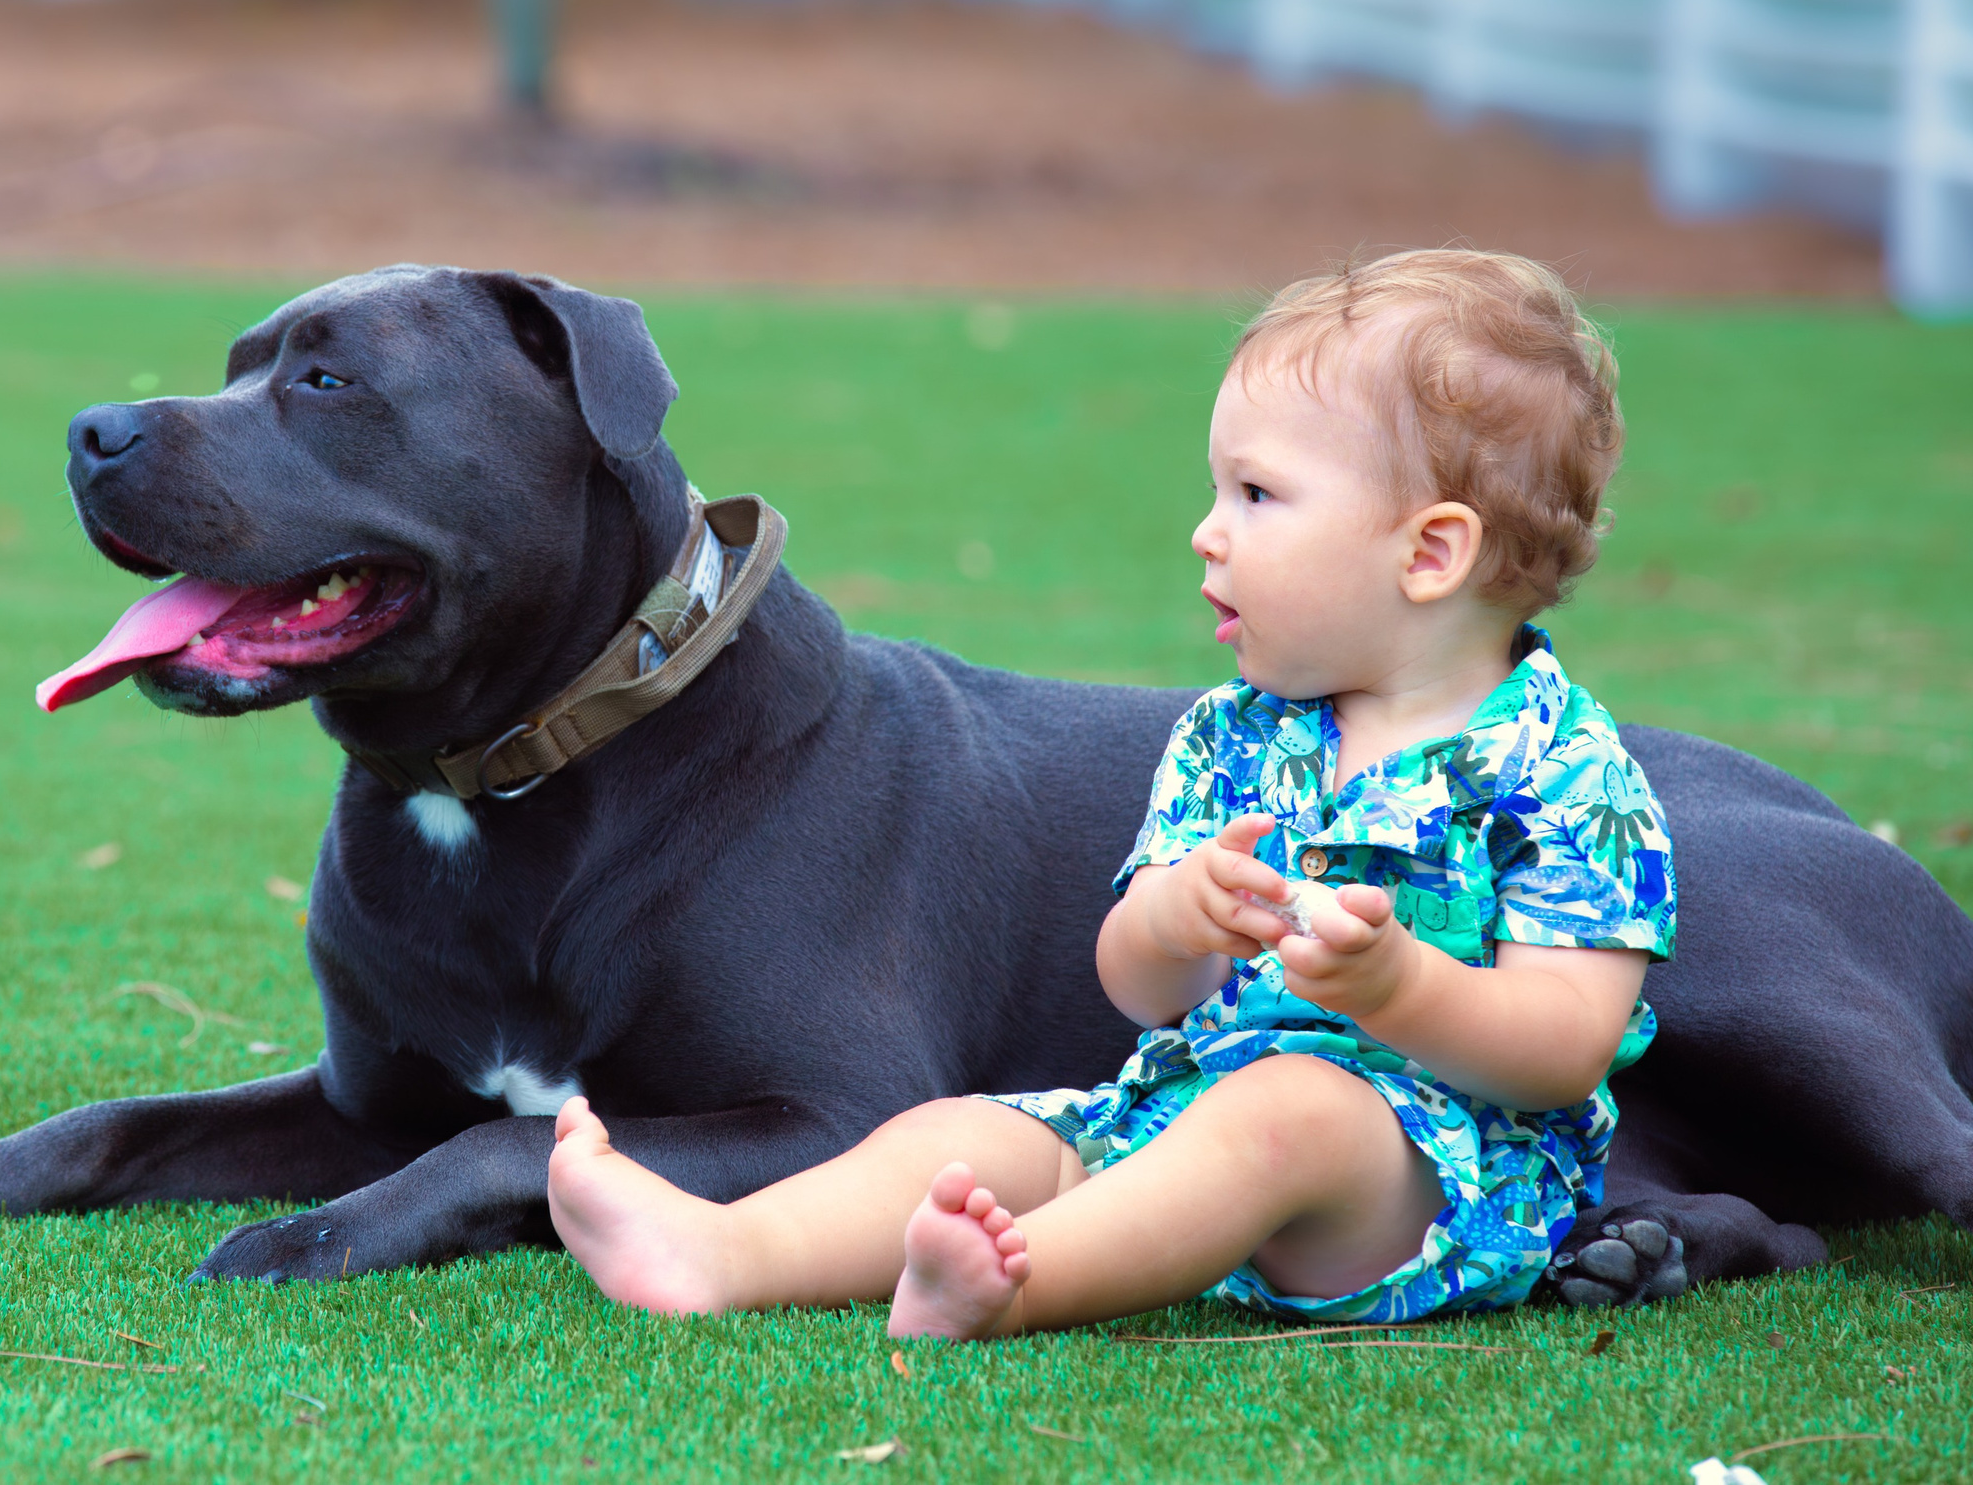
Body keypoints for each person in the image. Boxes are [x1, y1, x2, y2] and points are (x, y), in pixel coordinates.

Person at [544, 248, 1676, 1341]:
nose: (1207, 530)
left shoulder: (1567, 772)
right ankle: (719, 1254)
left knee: (1288, 1114)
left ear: (1429, 555)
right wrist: (1174, 915)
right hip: (1172, 1117)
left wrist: (1400, 985)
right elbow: (1139, 990)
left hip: (1431, 1185)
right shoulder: (1236, 734)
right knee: (964, 1133)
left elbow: (1562, 1047)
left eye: (1257, 494)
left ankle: (1012, 1290)